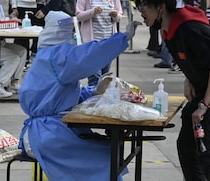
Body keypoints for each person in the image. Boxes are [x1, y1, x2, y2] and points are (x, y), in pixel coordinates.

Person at [135, 0, 210, 180]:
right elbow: (192, 59)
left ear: (161, 6)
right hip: (203, 89)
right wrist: (189, 79)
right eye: (138, 6)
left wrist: (204, 104)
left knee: (208, 154)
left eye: (144, 5)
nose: (141, 11)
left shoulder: (189, 29)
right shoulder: (168, 30)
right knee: (186, 146)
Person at [18, 10, 139, 181]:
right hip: (50, 135)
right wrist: (123, 37)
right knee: (105, 157)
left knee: (106, 150)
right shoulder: (58, 57)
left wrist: (95, 91)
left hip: (46, 131)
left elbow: (60, 96)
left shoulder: (46, 56)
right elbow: (90, 54)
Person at [76, 0, 122, 86]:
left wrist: (115, 15)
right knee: (94, 76)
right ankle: (93, 102)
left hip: (108, 41)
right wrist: (92, 12)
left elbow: (119, 15)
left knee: (104, 76)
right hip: (92, 43)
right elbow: (79, 15)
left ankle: (100, 102)